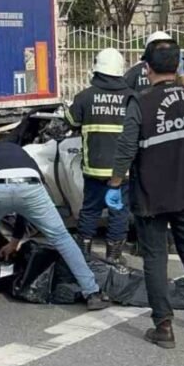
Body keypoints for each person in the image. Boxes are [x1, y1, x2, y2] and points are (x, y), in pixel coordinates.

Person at [109, 39, 184, 349]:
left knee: (155, 258)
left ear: (146, 68)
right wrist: (182, 76)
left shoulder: (140, 103)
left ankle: (164, 326)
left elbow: (127, 147)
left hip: (151, 195)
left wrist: (115, 184)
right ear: (179, 65)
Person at [0, 141, 110, 310]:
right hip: (30, 184)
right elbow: (24, 206)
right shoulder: (20, 153)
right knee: (61, 237)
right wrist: (15, 241)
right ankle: (92, 292)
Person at [66, 48, 135, 262]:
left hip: (94, 169)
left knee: (90, 211)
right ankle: (114, 256)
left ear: (96, 70)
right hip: (121, 172)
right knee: (118, 212)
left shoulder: (85, 97)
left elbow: (71, 122)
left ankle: (84, 254)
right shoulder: (131, 97)